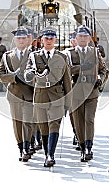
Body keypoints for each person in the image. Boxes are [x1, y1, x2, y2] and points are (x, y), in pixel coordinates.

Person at [25, 27, 72, 167]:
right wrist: (30, 74)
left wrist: (67, 103)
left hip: (57, 95)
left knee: (54, 125)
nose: (49, 40)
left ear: (55, 40)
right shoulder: (34, 57)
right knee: (43, 127)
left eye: (52, 38)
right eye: (46, 38)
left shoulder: (62, 57)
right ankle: (47, 154)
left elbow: (67, 81)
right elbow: (27, 72)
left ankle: (51, 155)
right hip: (40, 96)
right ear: (42, 40)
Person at [68, 25, 108, 162]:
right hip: (76, 91)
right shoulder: (69, 53)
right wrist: (82, 68)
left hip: (92, 91)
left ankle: (89, 147)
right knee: (78, 122)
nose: (83, 38)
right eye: (80, 36)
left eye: (86, 36)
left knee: (89, 119)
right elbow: (66, 71)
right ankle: (82, 145)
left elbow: (104, 70)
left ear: (90, 38)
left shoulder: (95, 52)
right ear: (76, 38)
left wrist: (100, 81)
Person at [0, 27, 34, 162]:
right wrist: (13, 77)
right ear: (15, 40)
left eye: (24, 38)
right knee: (17, 123)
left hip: (30, 94)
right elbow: (0, 75)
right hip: (14, 93)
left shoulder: (34, 54)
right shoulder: (7, 56)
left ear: (28, 39)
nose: (21, 40)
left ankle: (26, 146)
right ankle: (20, 146)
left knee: (28, 122)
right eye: (19, 38)